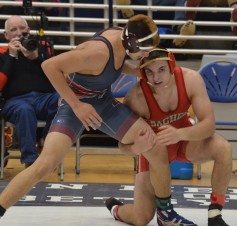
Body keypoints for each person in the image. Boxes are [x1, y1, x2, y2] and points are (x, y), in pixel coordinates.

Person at [0, 14, 188, 224]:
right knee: (44, 166)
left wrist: (136, 71)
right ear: (132, 42)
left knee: (155, 146)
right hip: (74, 108)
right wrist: (77, 105)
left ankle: (165, 213)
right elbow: (50, 66)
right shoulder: (96, 52)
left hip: (103, 103)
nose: (145, 55)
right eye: (143, 51)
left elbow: (113, 66)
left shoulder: (122, 36)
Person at [105, 48, 232, 226]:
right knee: (141, 218)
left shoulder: (190, 80)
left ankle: (215, 214)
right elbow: (121, 145)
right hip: (153, 155)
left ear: (172, 66)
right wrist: (135, 148)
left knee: (223, 148)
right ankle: (116, 208)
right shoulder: (136, 98)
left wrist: (180, 133)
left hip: (184, 141)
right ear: (142, 72)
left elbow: (209, 125)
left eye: (161, 70)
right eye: (149, 71)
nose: (155, 78)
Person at [0, 15, 59, 167]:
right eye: (13, 30)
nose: (19, 33)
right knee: (25, 110)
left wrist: (36, 58)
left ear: (28, 30)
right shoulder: (2, 55)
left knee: (61, 100)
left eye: (22, 28)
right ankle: (30, 160)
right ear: (6, 35)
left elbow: (57, 74)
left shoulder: (42, 49)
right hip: (16, 102)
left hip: (43, 98)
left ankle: (46, 143)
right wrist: (12, 57)